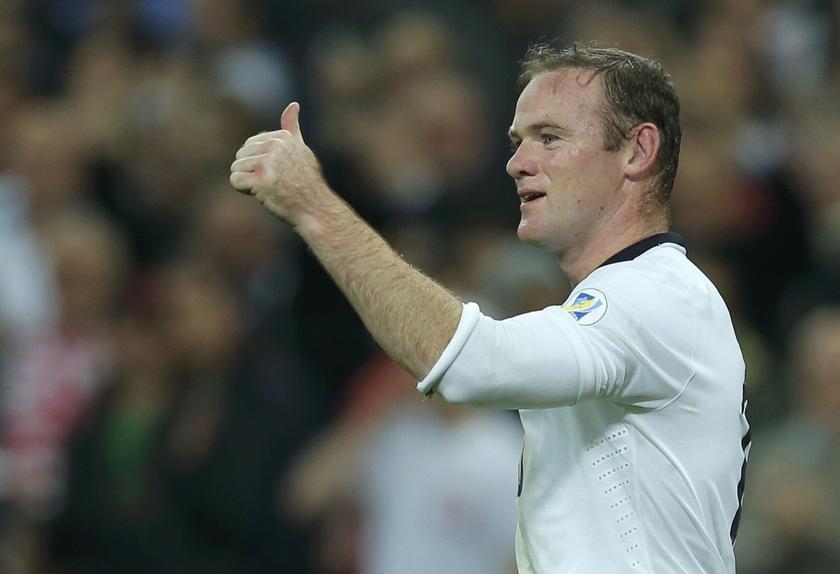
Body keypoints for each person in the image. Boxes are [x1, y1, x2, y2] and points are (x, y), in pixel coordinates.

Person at [230, 43, 750, 574]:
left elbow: (471, 363)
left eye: (549, 138)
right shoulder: (630, 295)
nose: (517, 163)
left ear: (638, 151)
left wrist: (313, 205)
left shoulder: (656, 295)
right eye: (517, 142)